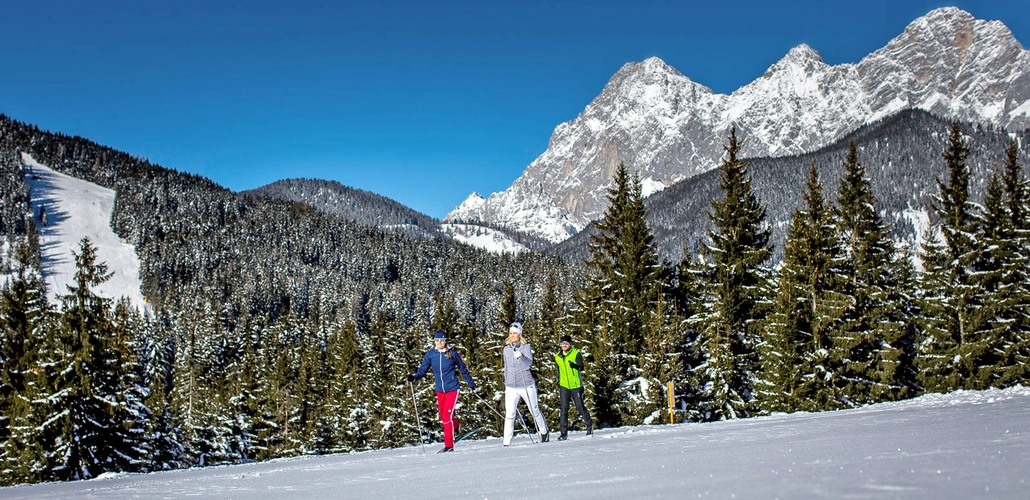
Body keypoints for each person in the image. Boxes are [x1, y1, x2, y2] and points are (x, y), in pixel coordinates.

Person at [408, 330, 476, 453]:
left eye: (442, 340)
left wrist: (471, 384)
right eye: (437, 340)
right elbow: (423, 370)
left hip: (452, 389)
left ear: (446, 341)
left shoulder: (452, 354)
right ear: (434, 341)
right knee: (445, 417)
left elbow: (462, 369)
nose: (440, 342)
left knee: (446, 417)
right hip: (440, 390)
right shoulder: (430, 355)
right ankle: (455, 424)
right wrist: (415, 377)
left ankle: (449, 445)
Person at [501, 322, 549, 445]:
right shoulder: (506, 349)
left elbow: (529, 363)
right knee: (510, 413)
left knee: (534, 410)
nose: (512, 335)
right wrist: (506, 380)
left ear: (519, 335)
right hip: (511, 386)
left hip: (526, 384)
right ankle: (506, 441)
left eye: (515, 333)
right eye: (511, 333)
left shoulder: (525, 347)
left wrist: (521, 357)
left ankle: (543, 432)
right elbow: (506, 367)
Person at [554, 335, 593, 440]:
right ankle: (563, 433)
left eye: (566, 343)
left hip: (576, 385)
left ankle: (589, 426)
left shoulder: (576, 353)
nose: (564, 345)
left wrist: (575, 366)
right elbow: (559, 370)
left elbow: (582, 367)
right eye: (563, 344)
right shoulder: (557, 356)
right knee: (563, 409)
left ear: (570, 344)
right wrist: (559, 381)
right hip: (564, 385)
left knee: (580, 407)